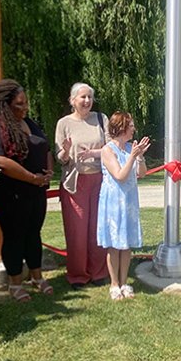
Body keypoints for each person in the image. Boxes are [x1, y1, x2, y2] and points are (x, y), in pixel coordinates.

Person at [0, 79, 53, 302]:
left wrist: (47, 172)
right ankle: (15, 281)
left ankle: (37, 276)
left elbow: (44, 146)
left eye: (25, 103)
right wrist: (31, 178)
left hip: (36, 188)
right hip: (9, 191)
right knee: (14, 234)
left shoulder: (29, 122)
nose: (24, 108)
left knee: (33, 232)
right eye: (19, 104)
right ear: (4, 105)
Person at [55, 83, 110, 287]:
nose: (87, 101)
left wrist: (94, 153)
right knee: (77, 231)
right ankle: (78, 275)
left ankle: (98, 272)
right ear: (72, 100)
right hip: (75, 183)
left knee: (97, 228)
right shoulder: (64, 123)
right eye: (82, 97)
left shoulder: (100, 119)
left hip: (100, 181)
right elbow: (60, 158)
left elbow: (111, 147)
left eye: (89, 97)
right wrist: (67, 151)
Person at [98, 111, 150, 299]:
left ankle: (125, 282)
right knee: (114, 245)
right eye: (131, 125)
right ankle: (114, 284)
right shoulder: (107, 150)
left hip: (129, 201)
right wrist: (132, 156)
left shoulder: (131, 147)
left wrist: (140, 156)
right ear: (122, 127)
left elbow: (142, 173)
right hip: (113, 201)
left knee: (126, 244)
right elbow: (119, 175)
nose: (134, 128)